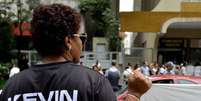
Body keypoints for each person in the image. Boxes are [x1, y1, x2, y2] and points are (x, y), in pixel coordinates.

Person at [0, 4, 151, 101]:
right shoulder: (93, 83)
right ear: (68, 41)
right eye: (82, 37)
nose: (83, 44)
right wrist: (134, 95)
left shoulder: (12, 86)